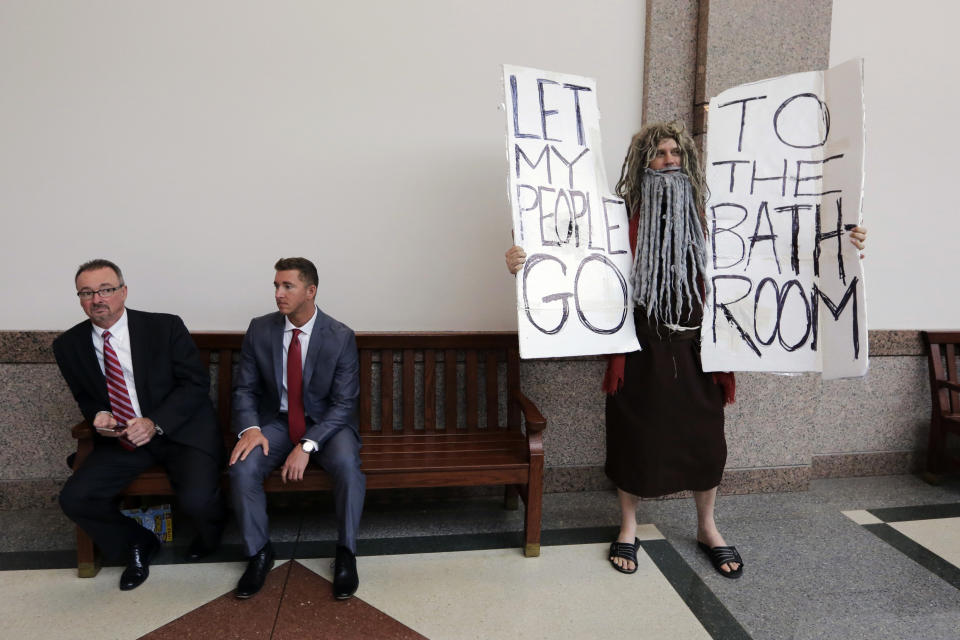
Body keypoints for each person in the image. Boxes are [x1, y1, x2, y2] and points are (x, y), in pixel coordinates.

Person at [506, 122, 868, 578]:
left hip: (698, 347)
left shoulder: (717, 217)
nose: (669, 160)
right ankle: (628, 526)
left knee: (706, 441)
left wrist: (841, 243)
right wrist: (523, 260)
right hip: (639, 346)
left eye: (675, 152)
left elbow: (776, 249)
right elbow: (567, 256)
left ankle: (706, 526)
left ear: (688, 160)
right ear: (643, 164)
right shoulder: (614, 218)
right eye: (658, 154)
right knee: (633, 436)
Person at [53, 259, 225, 591]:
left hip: (178, 431)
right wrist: (98, 414)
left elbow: (195, 384)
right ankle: (137, 543)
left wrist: (155, 422)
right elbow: (85, 395)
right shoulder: (68, 345)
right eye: (86, 293)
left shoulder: (164, 327)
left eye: (105, 289)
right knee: (75, 499)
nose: (97, 299)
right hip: (123, 440)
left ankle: (212, 534)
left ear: (123, 291)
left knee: (198, 501)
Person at [229, 257, 365, 600]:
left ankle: (346, 553)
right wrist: (250, 428)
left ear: (311, 290)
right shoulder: (260, 329)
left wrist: (306, 446)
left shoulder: (339, 336)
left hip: (328, 427)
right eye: (276, 285)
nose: (278, 293)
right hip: (276, 422)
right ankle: (259, 553)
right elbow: (245, 388)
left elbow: (344, 405)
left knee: (349, 467)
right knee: (242, 468)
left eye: (287, 286)